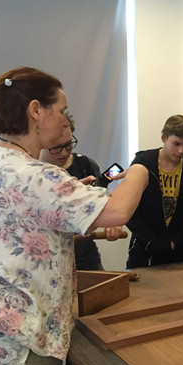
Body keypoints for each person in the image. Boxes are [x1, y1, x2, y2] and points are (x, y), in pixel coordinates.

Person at [0, 66, 149, 365]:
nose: (65, 119)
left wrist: (70, 196)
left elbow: (22, 223)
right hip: (21, 348)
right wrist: (140, 168)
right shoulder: (36, 176)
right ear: (36, 110)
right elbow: (118, 211)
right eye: (61, 110)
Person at [40, 115, 123, 270]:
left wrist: (113, 222)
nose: (64, 153)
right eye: (56, 147)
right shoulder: (32, 174)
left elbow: (102, 201)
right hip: (48, 262)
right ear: (41, 142)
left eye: (68, 145)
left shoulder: (85, 165)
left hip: (86, 258)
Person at [125, 115, 183, 268]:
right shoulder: (142, 164)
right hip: (143, 250)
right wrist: (151, 242)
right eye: (176, 144)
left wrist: (175, 242)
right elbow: (129, 209)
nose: (181, 150)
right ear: (163, 138)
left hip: (179, 252)